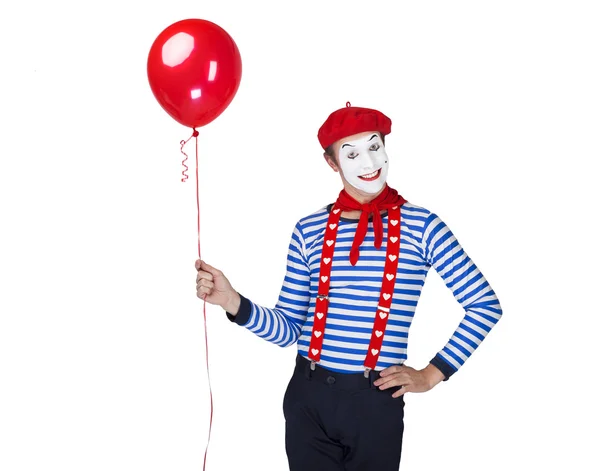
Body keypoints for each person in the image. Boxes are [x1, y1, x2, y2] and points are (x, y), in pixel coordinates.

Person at [194, 102, 502, 470]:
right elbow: (289, 329)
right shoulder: (309, 229)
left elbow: (485, 305)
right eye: (352, 153)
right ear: (332, 163)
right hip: (306, 398)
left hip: (373, 403)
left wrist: (432, 374)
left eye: (375, 147)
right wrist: (233, 302)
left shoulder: (423, 226)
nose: (369, 163)